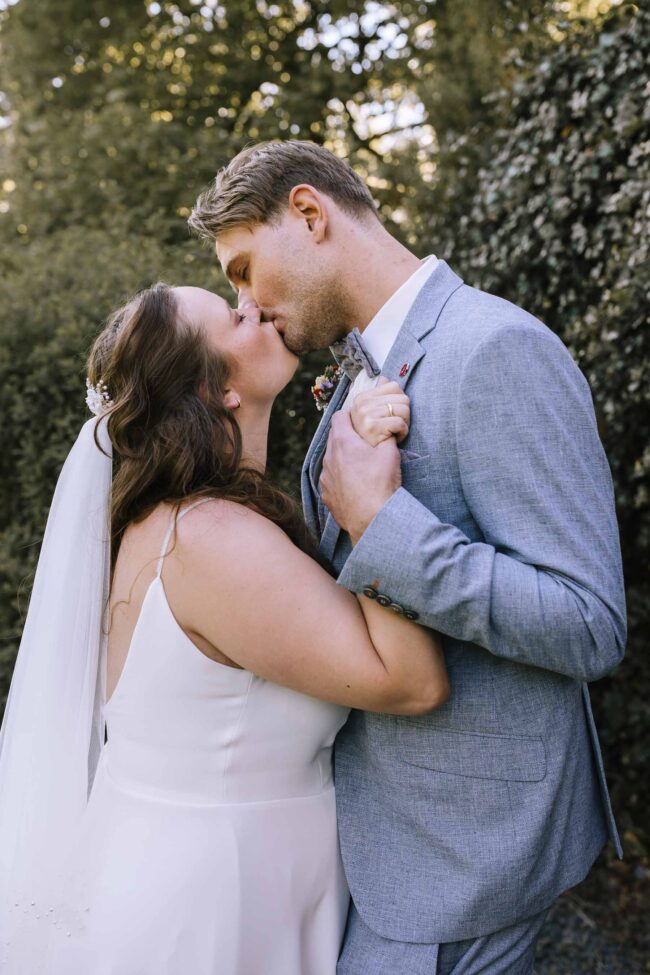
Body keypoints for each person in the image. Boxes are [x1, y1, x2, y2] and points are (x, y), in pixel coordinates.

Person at [189, 138, 627, 975]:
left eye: (244, 268)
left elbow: (590, 622)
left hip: (466, 857)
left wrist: (386, 524)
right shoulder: (361, 367)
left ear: (309, 214)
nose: (242, 299)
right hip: (382, 837)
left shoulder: (494, 348)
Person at [0, 282, 449, 975]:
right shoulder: (212, 539)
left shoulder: (171, 522)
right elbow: (413, 682)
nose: (254, 304)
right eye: (231, 316)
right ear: (219, 393)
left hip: (203, 871)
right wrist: (372, 508)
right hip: (212, 907)